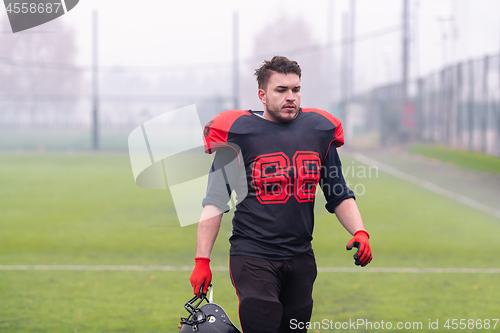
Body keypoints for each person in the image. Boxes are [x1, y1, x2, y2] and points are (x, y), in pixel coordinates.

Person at [189, 55, 372, 333]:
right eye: (281, 90)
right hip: (253, 256)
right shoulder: (237, 134)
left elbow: (338, 194)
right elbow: (214, 202)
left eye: (296, 90)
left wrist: (360, 231)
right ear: (262, 95)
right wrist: (202, 260)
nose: (291, 97)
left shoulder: (319, 131)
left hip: (300, 257)